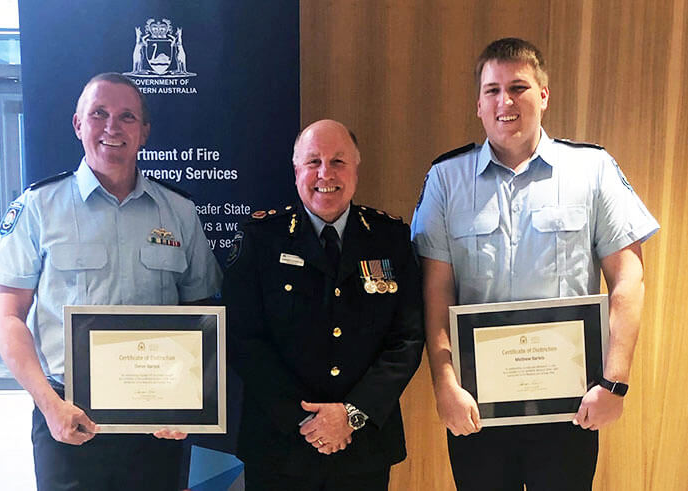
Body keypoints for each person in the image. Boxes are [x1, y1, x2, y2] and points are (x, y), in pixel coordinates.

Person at [411, 37, 660, 490]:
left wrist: (615, 382)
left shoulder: (593, 170)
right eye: (492, 90)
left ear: (543, 96)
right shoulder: (446, 180)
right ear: (479, 104)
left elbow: (628, 278)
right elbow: (436, 291)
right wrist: (443, 384)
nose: (505, 101)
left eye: (519, 87)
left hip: (571, 405)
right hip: (477, 406)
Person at [0, 72, 222, 491]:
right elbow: (6, 319)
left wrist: (189, 405)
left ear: (144, 132)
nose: (112, 127)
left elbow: (201, 313)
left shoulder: (180, 212)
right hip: (66, 414)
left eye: (127, 117)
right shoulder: (38, 208)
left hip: (157, 423)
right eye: (99, 114)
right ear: (78, 125)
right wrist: (48, 404)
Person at [223, 119, 424, 490]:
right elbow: (242, 339)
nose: (325, 173)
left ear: (356, 168)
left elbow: (407, 339)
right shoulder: (260, 241)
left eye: (338, 161)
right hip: (279, 445)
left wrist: (352, 414)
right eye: (313, 161)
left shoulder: (390, 238)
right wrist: (304, 420)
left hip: (364, 445)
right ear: (296, 170)